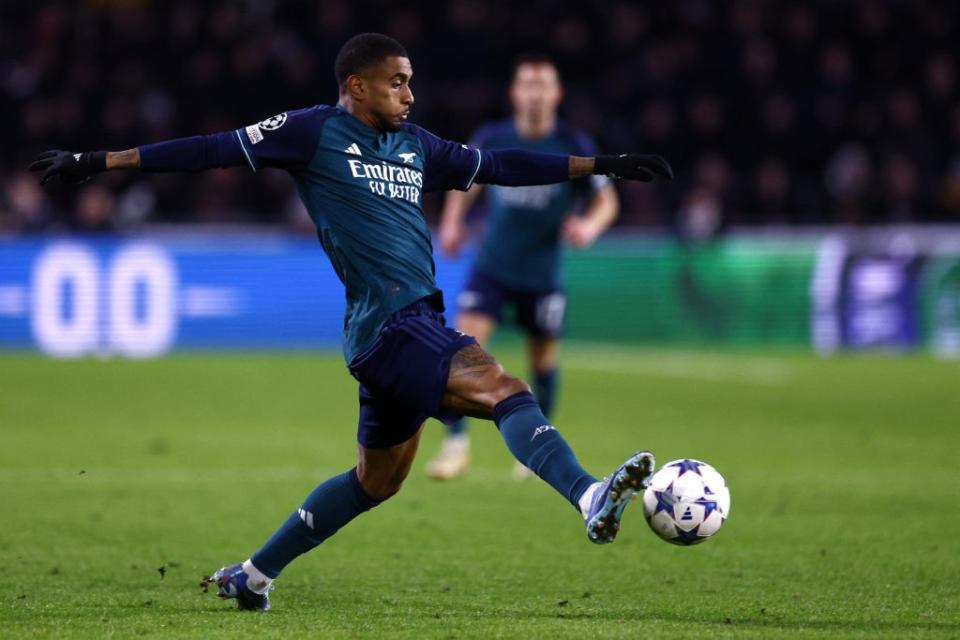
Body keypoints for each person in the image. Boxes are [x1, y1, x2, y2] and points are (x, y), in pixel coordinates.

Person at [30, 33, 673, 612]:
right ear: (357, 85)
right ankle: (590, 496)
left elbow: (502, 166)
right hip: (394, 324)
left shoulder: (418, 145)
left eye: (412, 81)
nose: (411, 94)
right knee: (502, 386)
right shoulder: (313, 132)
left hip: (395, 330)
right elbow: (208, 151)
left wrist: (603, 165)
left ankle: (254, 574)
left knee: (377, 481)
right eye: (398, 82)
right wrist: (96, 162)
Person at [426, 54, 619, 481]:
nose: (534, 93)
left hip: (542, 275)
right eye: (527, 85)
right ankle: (455, 446)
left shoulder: (574, 145)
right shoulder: (494, 136)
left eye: (542, 85)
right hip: (493, 266)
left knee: (543, 362)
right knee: (460, 353)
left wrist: (589, 226)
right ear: (515, 93)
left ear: (557, 94)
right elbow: (465, 179)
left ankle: (535, 449)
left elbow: (607, 200)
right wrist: (453, 222)